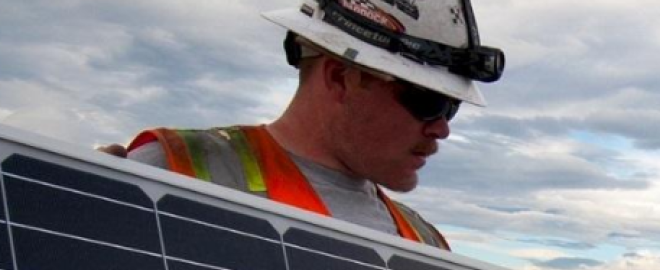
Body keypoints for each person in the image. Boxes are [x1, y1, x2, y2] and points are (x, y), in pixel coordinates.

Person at [102, 0, 504, 248]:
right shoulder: (172, 173)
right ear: (340, 78)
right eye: (428, 102)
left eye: (451, 107)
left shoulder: (426, 244)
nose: (441, 129)